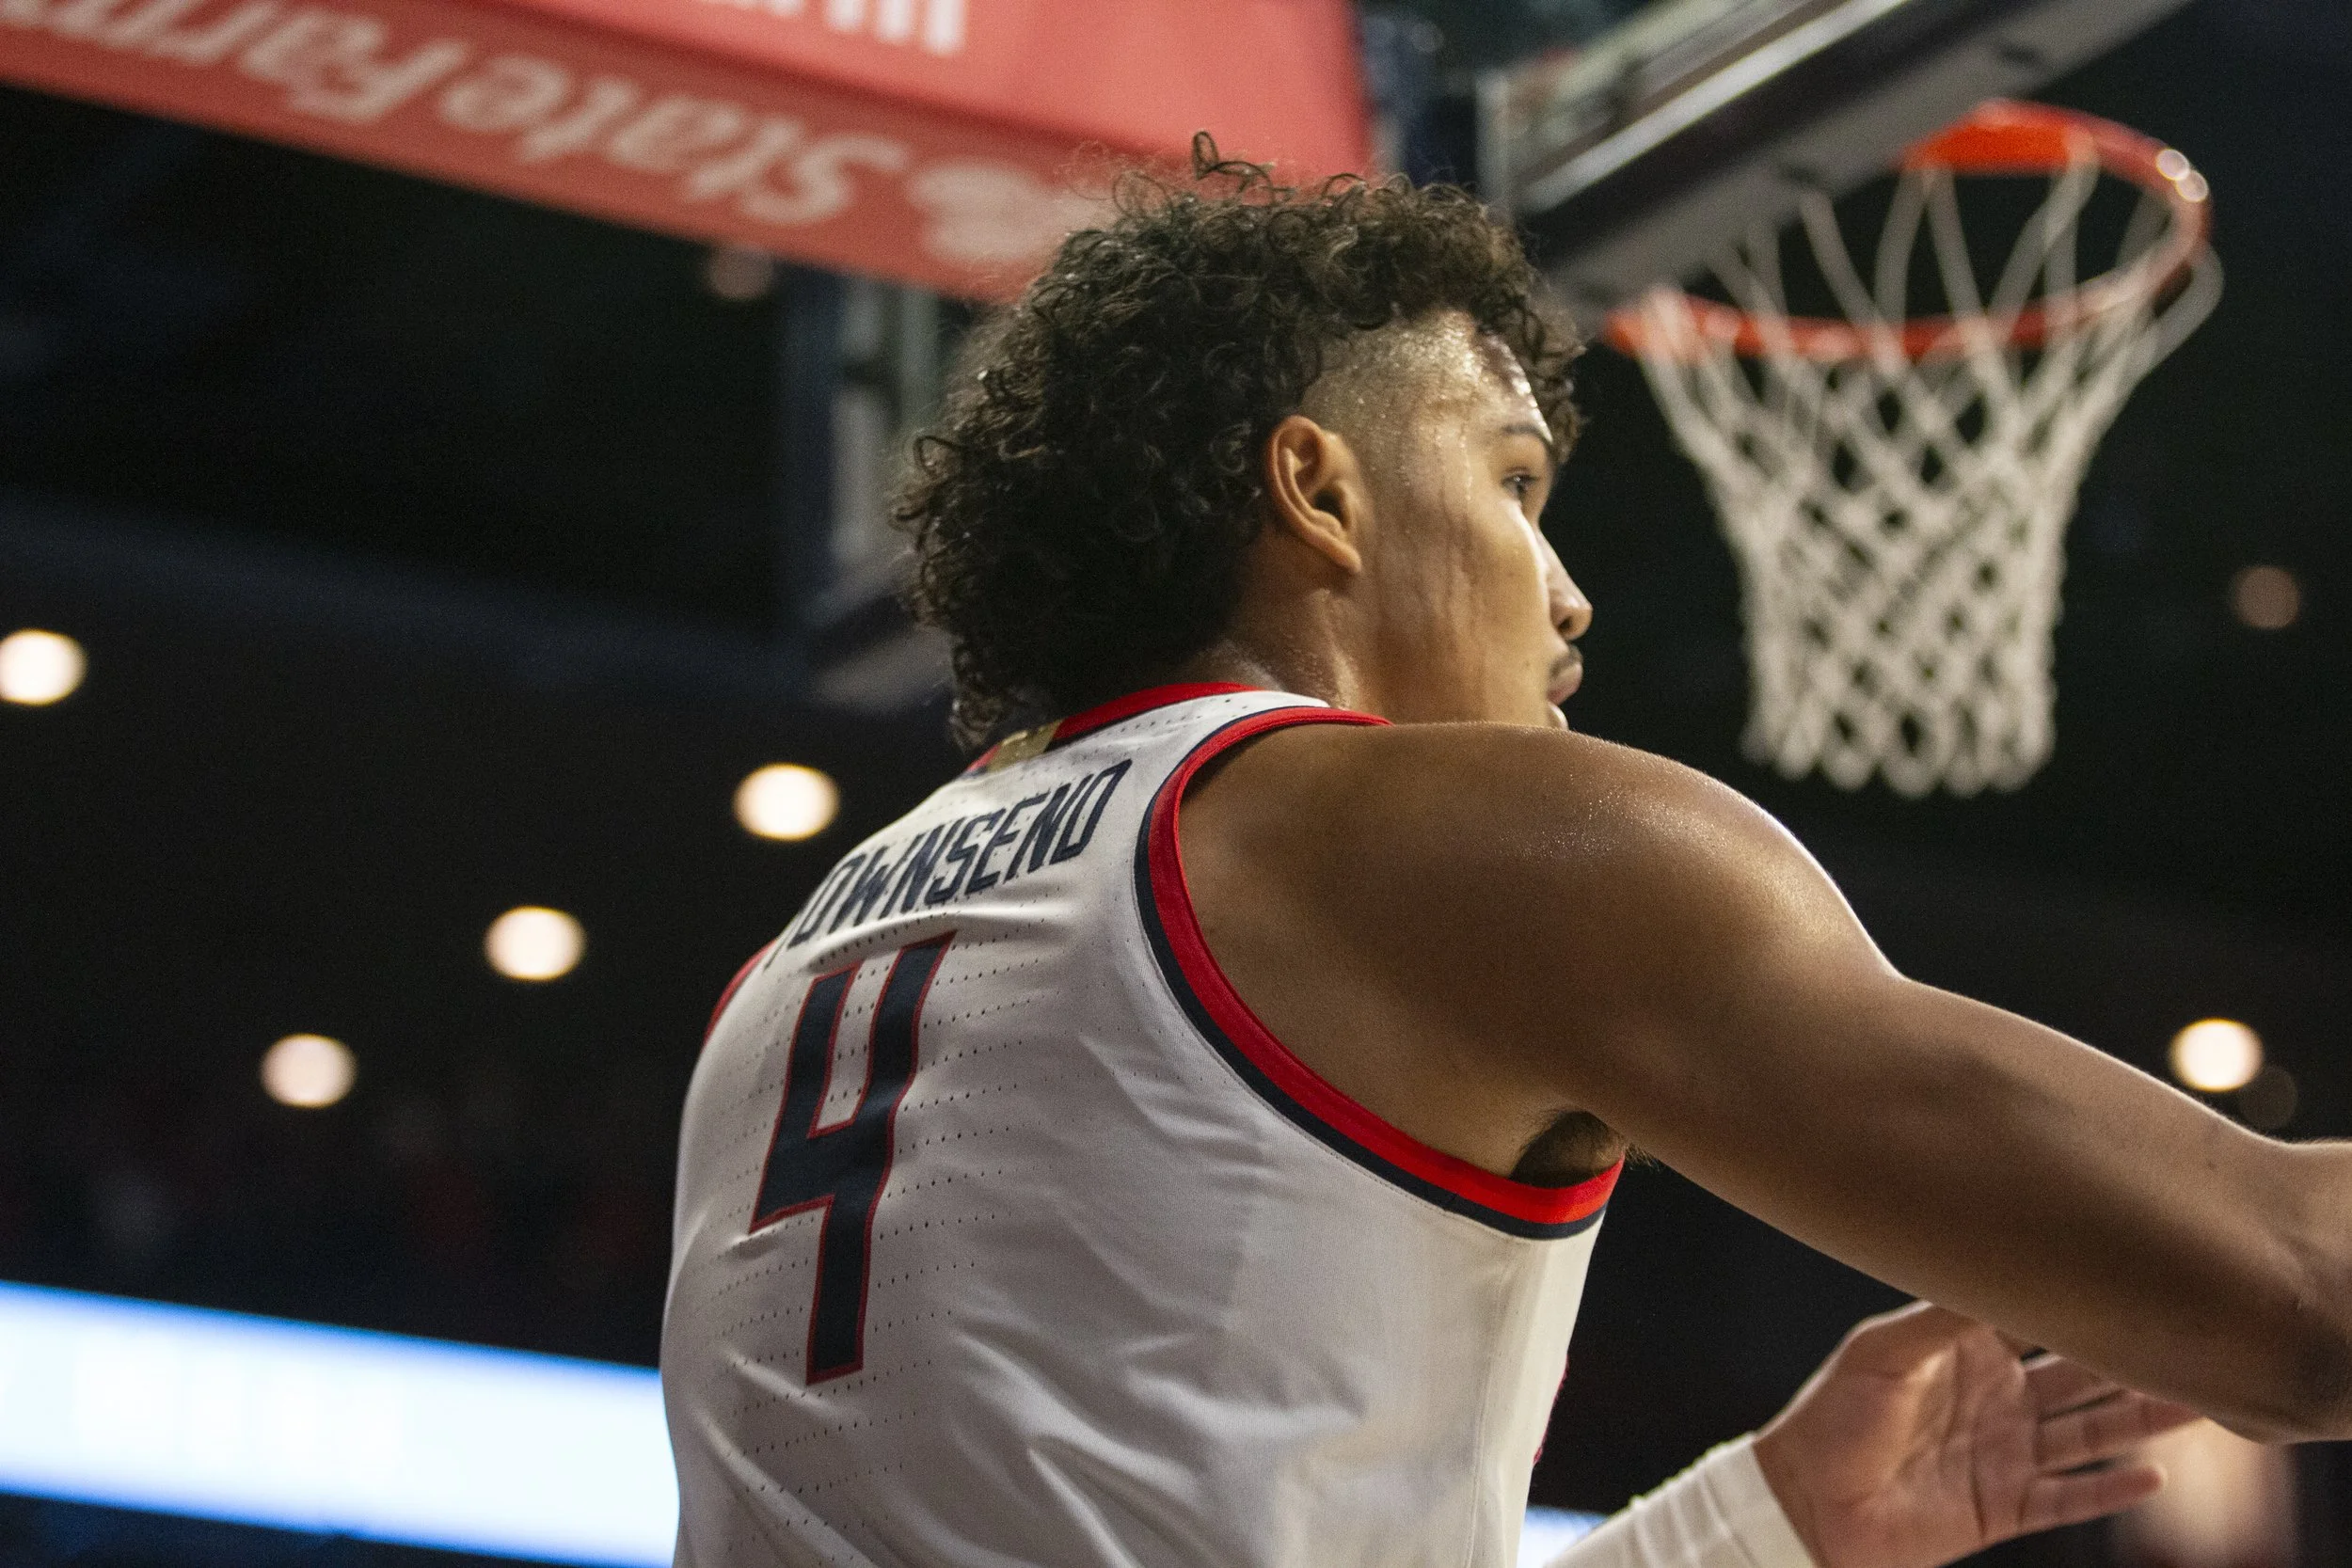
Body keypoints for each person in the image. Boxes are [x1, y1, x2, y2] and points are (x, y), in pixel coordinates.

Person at [660, 147, 2351, 1568]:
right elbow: (2295, 1296)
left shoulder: (803, 955)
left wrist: (1756, 1529)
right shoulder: (1437, 849)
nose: (1567, 592)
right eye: (1515, 482)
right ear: (1317, 490)